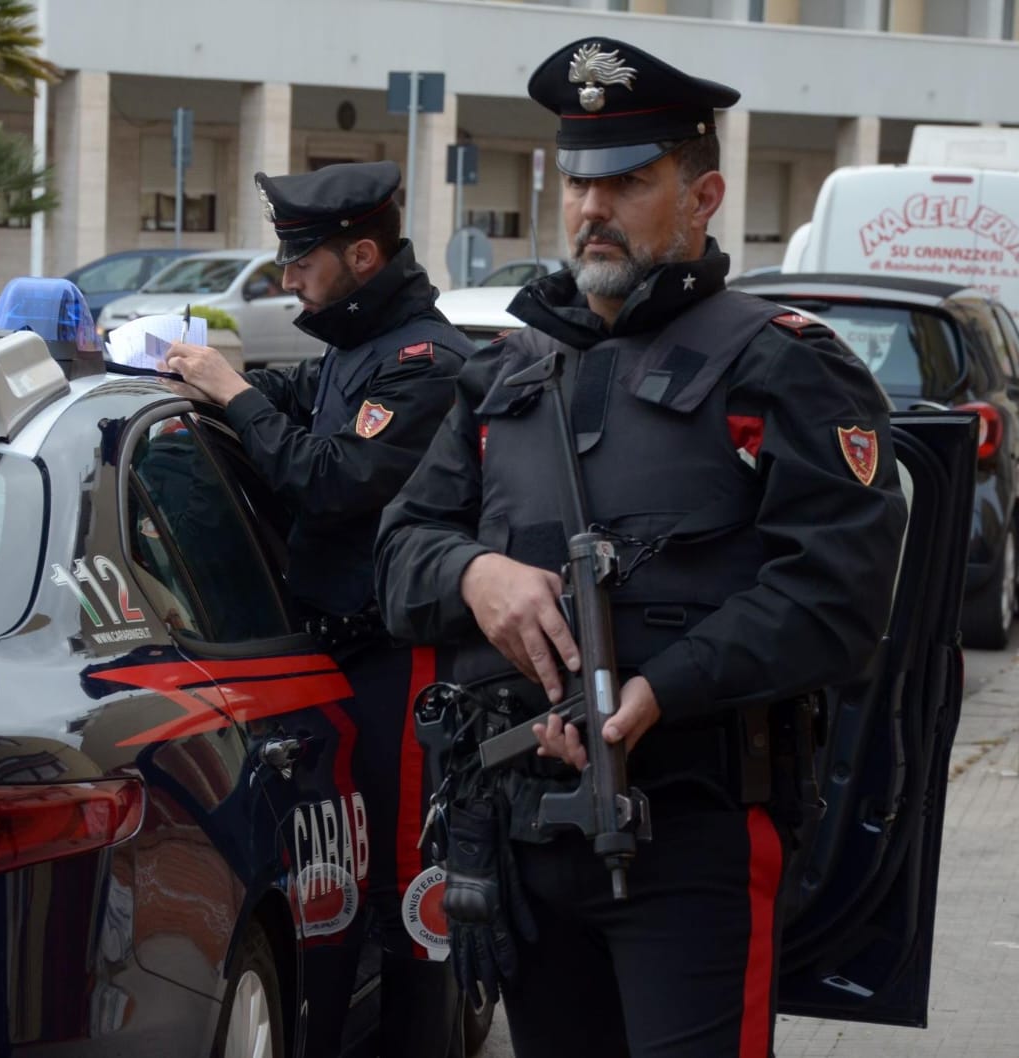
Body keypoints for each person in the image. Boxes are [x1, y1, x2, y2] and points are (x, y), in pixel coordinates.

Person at [373, 37, 908, 1058]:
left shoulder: (784, 367)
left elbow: (838, 593)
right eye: (576, 180)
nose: (589, 207)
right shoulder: (504, 374)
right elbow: (400, 550)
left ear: (701, 195)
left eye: (626, 180)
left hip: (690, 829)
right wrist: (474, 573)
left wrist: (661, 689)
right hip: (524, 826)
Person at [164, 161, 471, 1056]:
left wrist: (233, 390)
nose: (287, 277)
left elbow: (330, 478)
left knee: (414, 907)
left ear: (364, 256)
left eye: (301, 260)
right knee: (343, 903)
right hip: (330, 669)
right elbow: (293, 411)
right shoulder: (353, 350)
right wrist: (201, 378)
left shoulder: (427, 365)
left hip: (400, 669)